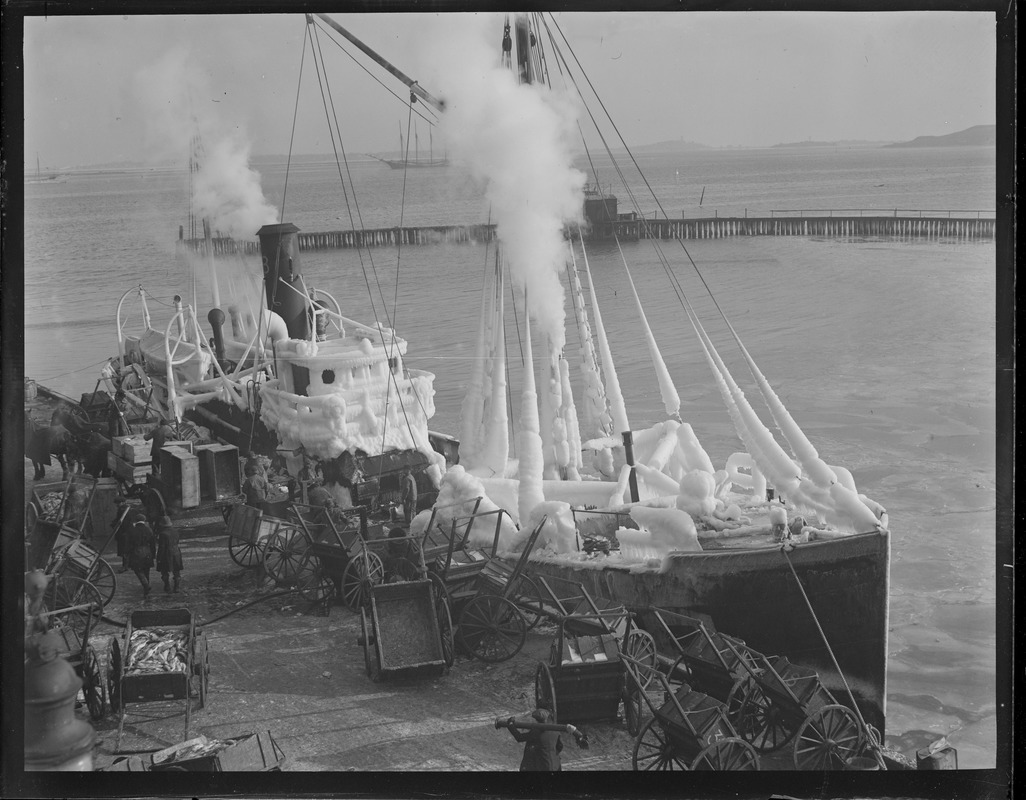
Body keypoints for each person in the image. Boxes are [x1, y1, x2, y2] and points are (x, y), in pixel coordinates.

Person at [501, 703, 578, 771]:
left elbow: (519, 737)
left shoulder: (536, 732)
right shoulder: (555, 730)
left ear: (537, 720)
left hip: (542, 766)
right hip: (555, 765)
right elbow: (560, 746)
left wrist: (510, 725)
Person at [126, 511, 156, 597]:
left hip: (136, 552)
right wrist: (153, 555)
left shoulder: (132, 530)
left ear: (136, 521)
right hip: (147, 552)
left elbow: (128, 544)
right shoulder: (149, 530)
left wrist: (128, 553)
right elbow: (153, 544)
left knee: (138, 570)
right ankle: (146, 590)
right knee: (147, 571)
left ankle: (145, 584)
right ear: (144, 520)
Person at [155, 515, 183, 593]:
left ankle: (167, 586)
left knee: (164, 571)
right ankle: (176, 587)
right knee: (176, 571)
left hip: (166, 554)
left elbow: (162, 547)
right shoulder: (176, 531)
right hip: (176, 552)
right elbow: (177, 541)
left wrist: (159, 558)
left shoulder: (162, 534)